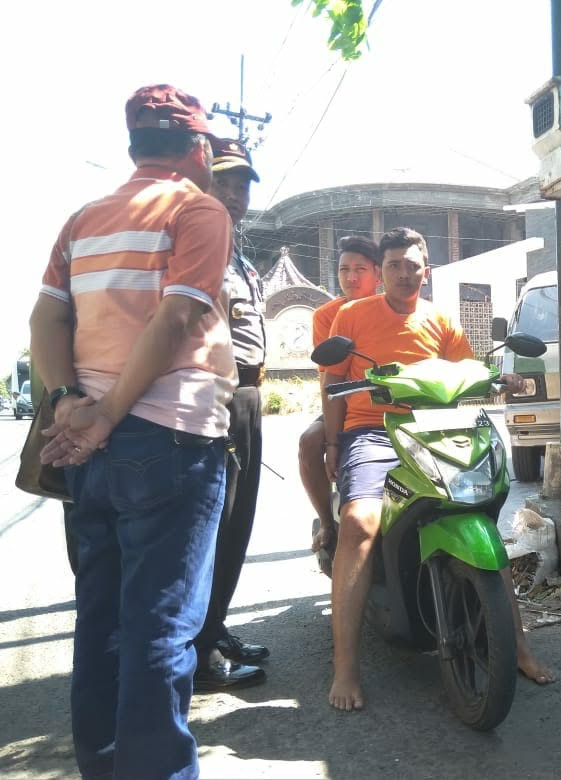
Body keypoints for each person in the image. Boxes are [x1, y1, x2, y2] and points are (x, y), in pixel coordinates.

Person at [30, 84, 235, 779]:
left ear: (134, 147)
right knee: (161, 630)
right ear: (199, 149)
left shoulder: (83, 218)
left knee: (104, 621)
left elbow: (44, 322)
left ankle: (105, 766)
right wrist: (109, 413)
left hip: (92, 446)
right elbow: (176, 319)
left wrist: (68, 404)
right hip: (169, 438)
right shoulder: (197, 209)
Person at [322, 227, 554, 711]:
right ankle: (345, 666)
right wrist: (332, 445)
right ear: (382, 270)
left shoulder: (442, 321)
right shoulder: (353, 314)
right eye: (394, 266)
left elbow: (467, 377)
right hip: (374, 431)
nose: (404, 273)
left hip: (436, 429)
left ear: (425, 271)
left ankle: (518, 645)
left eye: (413, 265)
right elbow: (332, 385)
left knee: (483, 513)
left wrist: (498, 380)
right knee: (359, 523)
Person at [192, 137, 269, 691]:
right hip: (219, 395)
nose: (237, 192)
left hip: (249, 396)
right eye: (226, 180)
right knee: (213, 526)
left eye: (243, 183)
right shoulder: (199, 241)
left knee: (237, 524)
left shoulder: (234, 247)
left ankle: (212, 627)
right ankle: (197, 655)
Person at [300, 235, 382, 566]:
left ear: (377, 273)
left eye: (359, 269)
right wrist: (332, 435)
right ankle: (327, 523)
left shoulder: (394, 307)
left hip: (391, 404)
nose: (351, 277)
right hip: (345, 404)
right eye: (344, 269)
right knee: (310, 441)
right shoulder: (326, 315)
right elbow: (330, 378)